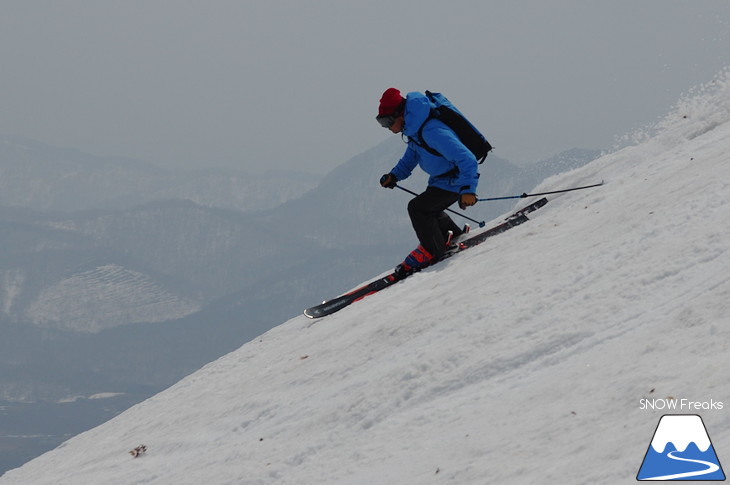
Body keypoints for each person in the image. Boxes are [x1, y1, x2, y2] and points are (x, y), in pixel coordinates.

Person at [376, 87, 479, 276]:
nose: (387, 128)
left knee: (418, 208)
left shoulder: (431, 130)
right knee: (428, 207)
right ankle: (454, 235)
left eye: (387, 122)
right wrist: (395, 175)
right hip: (442, 181)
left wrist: (468, 189)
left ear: (400, 115)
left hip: (456, 180)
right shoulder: (415, 130)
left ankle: (434, 251)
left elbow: (467, 158)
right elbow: (411, 157)